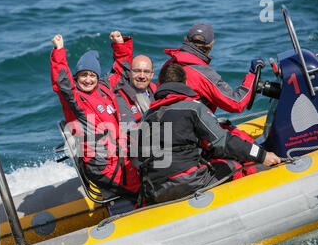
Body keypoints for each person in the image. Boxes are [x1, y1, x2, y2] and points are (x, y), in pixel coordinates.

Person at [136, 63, 280, 204]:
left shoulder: (147, 117)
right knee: (236, 167)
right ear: (185, 83)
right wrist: (262, 155)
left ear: (160, 86)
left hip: (156, 190)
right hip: (189, 182)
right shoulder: (194, 108)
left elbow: (139, 159)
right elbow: (224, 142)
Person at [161, 22, 267, 175]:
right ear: (211, 45)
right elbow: (235, 104)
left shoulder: (169, 65)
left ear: (186, 39)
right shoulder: (203, 73)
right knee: (244, 142)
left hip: (174, 136)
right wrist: (252, 75)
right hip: (197, 137)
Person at [50, 34, 140, 200]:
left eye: (92, 75)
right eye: (83, 75)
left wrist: (119, 44)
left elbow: (121, 71)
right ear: (76, 77)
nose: (88, 80)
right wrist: (59, 51)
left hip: (121, 154)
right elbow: (62, 83)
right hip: (101, 164)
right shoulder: (75, 99)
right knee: (142, 187)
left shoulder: (104, 88)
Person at [100, 31, 157, 125]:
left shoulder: (157, 92)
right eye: (137, 71)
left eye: (146, 72)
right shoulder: (119, 91)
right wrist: (120, 45)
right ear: (129, 72)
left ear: (152, 74)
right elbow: (119, 69)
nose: (142, 76)